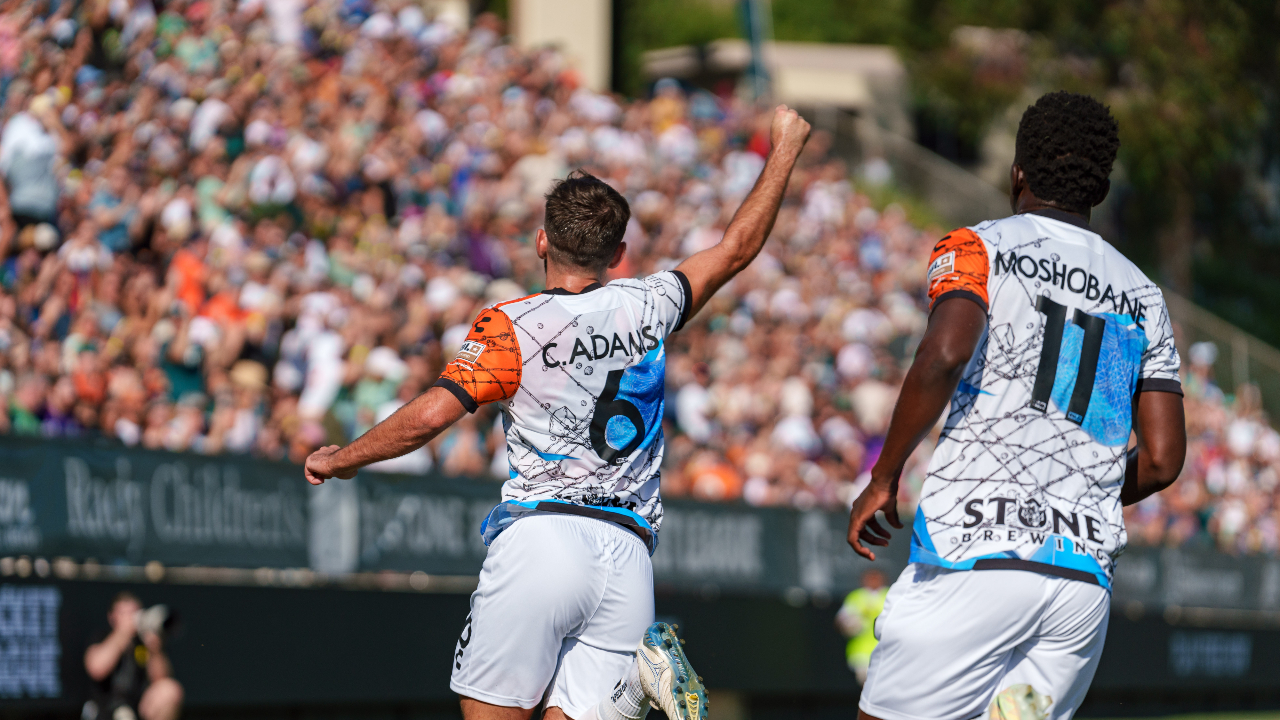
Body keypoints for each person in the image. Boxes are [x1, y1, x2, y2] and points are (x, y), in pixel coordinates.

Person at [304, 106, 812, 720]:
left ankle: (631, 690)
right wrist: (785, 144)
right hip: (628, 557)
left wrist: (344, 459)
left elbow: (431, 417)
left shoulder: (513, 326)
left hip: (542, 536)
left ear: (542, 240)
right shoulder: (653, 302)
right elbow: (736, 248)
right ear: (618, 253)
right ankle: (632, 686)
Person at [846, 92, 1187, 720]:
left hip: (975, 556)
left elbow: (945, 354)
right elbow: (1164, 461)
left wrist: (884, 474)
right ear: (1100, 188)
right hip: (1080, 587)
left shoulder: (978, 247)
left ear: (1018, 174)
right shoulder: (1145, 296)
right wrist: (1079, 496)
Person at [83, 593, 184, 720]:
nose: (131, 618)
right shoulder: (101, 637)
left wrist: (155, 650)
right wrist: (122, 634)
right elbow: (96, 669)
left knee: (170, 690)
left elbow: (161, 680)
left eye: (135, 612)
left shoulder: (144, 641)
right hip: (106, 709)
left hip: (138, 707)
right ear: (112, 617)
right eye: (124, 613)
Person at [835, 568, 887, 684]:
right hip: (862, 653)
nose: (873, 581)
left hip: (888, 651)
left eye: (876, 578)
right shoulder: (855, 597)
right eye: (870, 578)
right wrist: (848, 625)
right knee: (868, 687)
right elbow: (840, 621)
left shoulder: (891, 595)